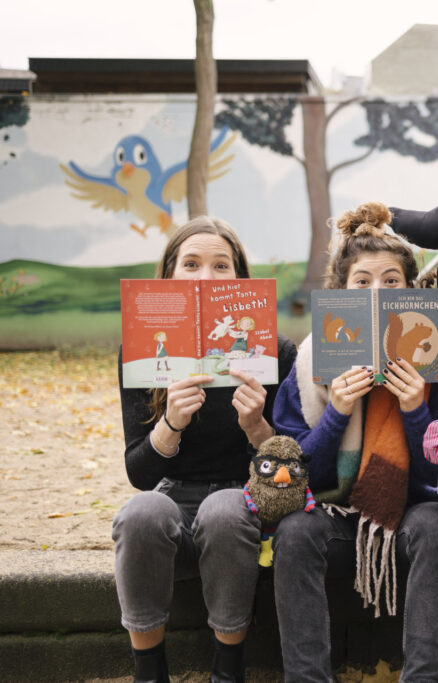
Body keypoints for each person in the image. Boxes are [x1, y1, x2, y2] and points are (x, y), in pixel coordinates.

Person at [272, 201, 438, 682]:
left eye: (391, 281)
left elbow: (435, 483)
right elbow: (298, 478)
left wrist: (416, 410)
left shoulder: (432, 361)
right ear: (341, 292)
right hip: (334, 518)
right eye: (363, 282)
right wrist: (337, 412)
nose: (377, 292)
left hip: (404, 518)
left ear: (410, 291)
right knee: (293, 532)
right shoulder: (311, 360)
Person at [113, 216, 297, 683]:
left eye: (221, 265)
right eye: (191, 263)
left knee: (224, 507)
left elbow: (292, 474)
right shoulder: (139, 352)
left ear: (239, 278)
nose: (204, 277)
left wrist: (257, 426)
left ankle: (227, 668)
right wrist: (171, 422)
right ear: (169, 274)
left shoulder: (276, 352)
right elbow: (139, 473)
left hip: (241, 506)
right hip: (172, 500)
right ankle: (148, 669)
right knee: (139, 512)